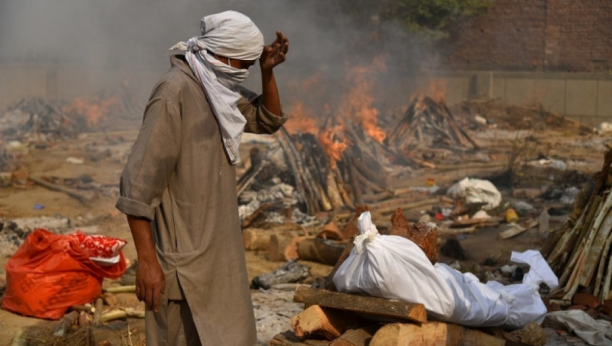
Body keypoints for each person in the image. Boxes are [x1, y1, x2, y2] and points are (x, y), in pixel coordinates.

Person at [115, 10, 289, 346]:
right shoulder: (175, 92)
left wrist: (267, 74)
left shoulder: (216, 88)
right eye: (245, 64)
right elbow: (138, 187)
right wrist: (148, 263)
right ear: (222, 55)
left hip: (220, 258)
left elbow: (268, 120)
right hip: (184, 268)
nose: (245, 73)